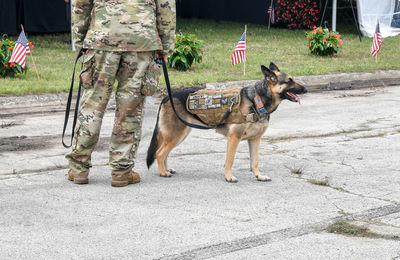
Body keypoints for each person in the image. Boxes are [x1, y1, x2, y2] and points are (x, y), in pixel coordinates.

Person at [66, 0, 176, 187]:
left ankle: (79, 169)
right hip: (141, 41)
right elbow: (166, 7)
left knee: (93, 104)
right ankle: (121, 171)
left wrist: (81, 39)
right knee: (130, 109)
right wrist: (166, 46)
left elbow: (80, 4)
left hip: (102, 38)